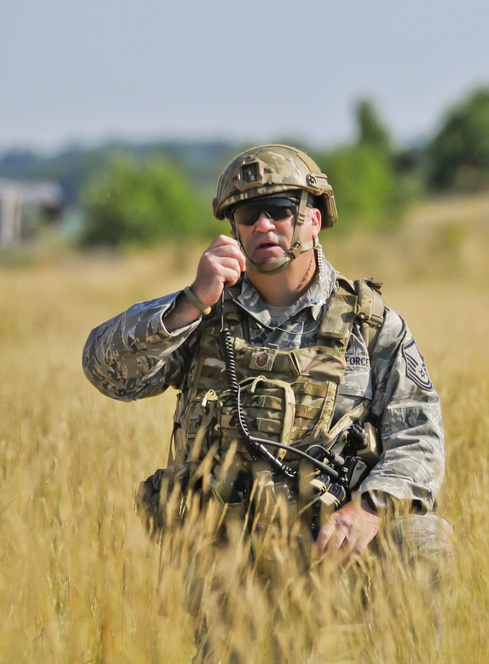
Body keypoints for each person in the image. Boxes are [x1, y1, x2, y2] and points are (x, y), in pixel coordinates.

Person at [82, 144, 450, 658]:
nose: (264, 226)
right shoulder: (202, 309)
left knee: (423, 537)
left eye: (280, 211)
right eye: (247, 214)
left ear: (314, 220)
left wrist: (367, 510)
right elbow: (106, 372)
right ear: (234, 228)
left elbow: (419, 434)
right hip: (226, 560)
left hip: (335, 546)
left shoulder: (370, 323)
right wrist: (190, 301)